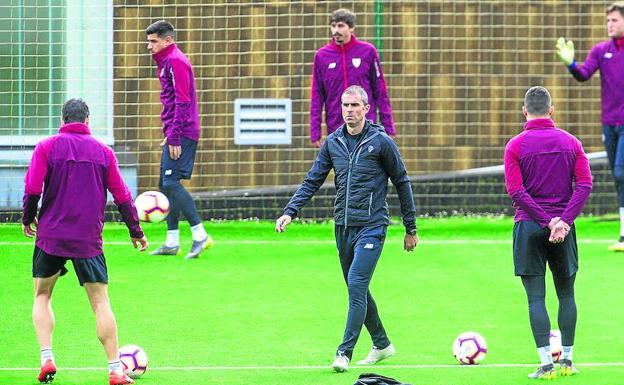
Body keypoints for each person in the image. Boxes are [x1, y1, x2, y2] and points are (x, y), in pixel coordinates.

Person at [276, 85, 418, 373]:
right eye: (345, 105)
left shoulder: (381, 143)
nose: (349, 110)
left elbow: (402, 182)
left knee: (356, 284)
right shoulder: (334, 142)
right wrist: (290, 211)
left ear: (366, 108)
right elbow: (313, 179)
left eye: (355, 105)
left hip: (372, 226)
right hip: (342, 227)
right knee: (359, 289)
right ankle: (382, 344)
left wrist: (410, 227)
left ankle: (344, 352)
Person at [22, 99, 149, 385]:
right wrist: (135, 230)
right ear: (88, 120)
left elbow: (32, 188)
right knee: (100, 302)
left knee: (42, 296)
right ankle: (116, 370)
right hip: (88, 240)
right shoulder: (104, 152)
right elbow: (123, 196)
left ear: (63, 119)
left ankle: (46, 358)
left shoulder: (46, 147)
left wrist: (28, 217)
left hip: (50, 237)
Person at [504, 87, 592, 380]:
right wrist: (563, 222)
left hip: (529, 227)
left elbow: (516, 190)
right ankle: (567, 361)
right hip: (563, 229)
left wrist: (545, 220)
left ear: (524, 111)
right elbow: (584, 185)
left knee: (535, 299)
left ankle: (545, 365)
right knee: (566, 294)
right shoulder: (571, 142)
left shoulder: (515, 146)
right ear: (551, 110)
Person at [555, 2, 624, 250]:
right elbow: (583, 74)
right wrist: (570, 64)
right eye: (607, 21)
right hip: (610, 124)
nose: (609, 25)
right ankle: (623, 235)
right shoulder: (601, 50)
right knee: (619, 179)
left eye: (614, 20)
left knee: (620, 172)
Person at [145, 20, 213, 259]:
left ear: (168, 40)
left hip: (182, 132)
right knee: (165, 185)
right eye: (148, 41)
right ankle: (172, 241)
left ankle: (200, 235)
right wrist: (169, 132)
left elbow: (183, 101)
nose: (149, 46)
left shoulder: (176, 61)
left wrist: (174, 136)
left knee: (172, 184)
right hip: (174, 131)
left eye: (154, 41)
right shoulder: (165, 62)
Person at [309, 9, 395, 148]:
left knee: (366, 167)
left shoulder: (367, 51)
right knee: (343, 168)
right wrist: (315, 132)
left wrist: (388, 127)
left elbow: (380, 90)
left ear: (351, 27)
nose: (336, 30)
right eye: (333, 25)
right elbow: (317, 96)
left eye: (341, 25)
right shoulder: (322, 56)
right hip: (336, 127)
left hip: (366, 126)